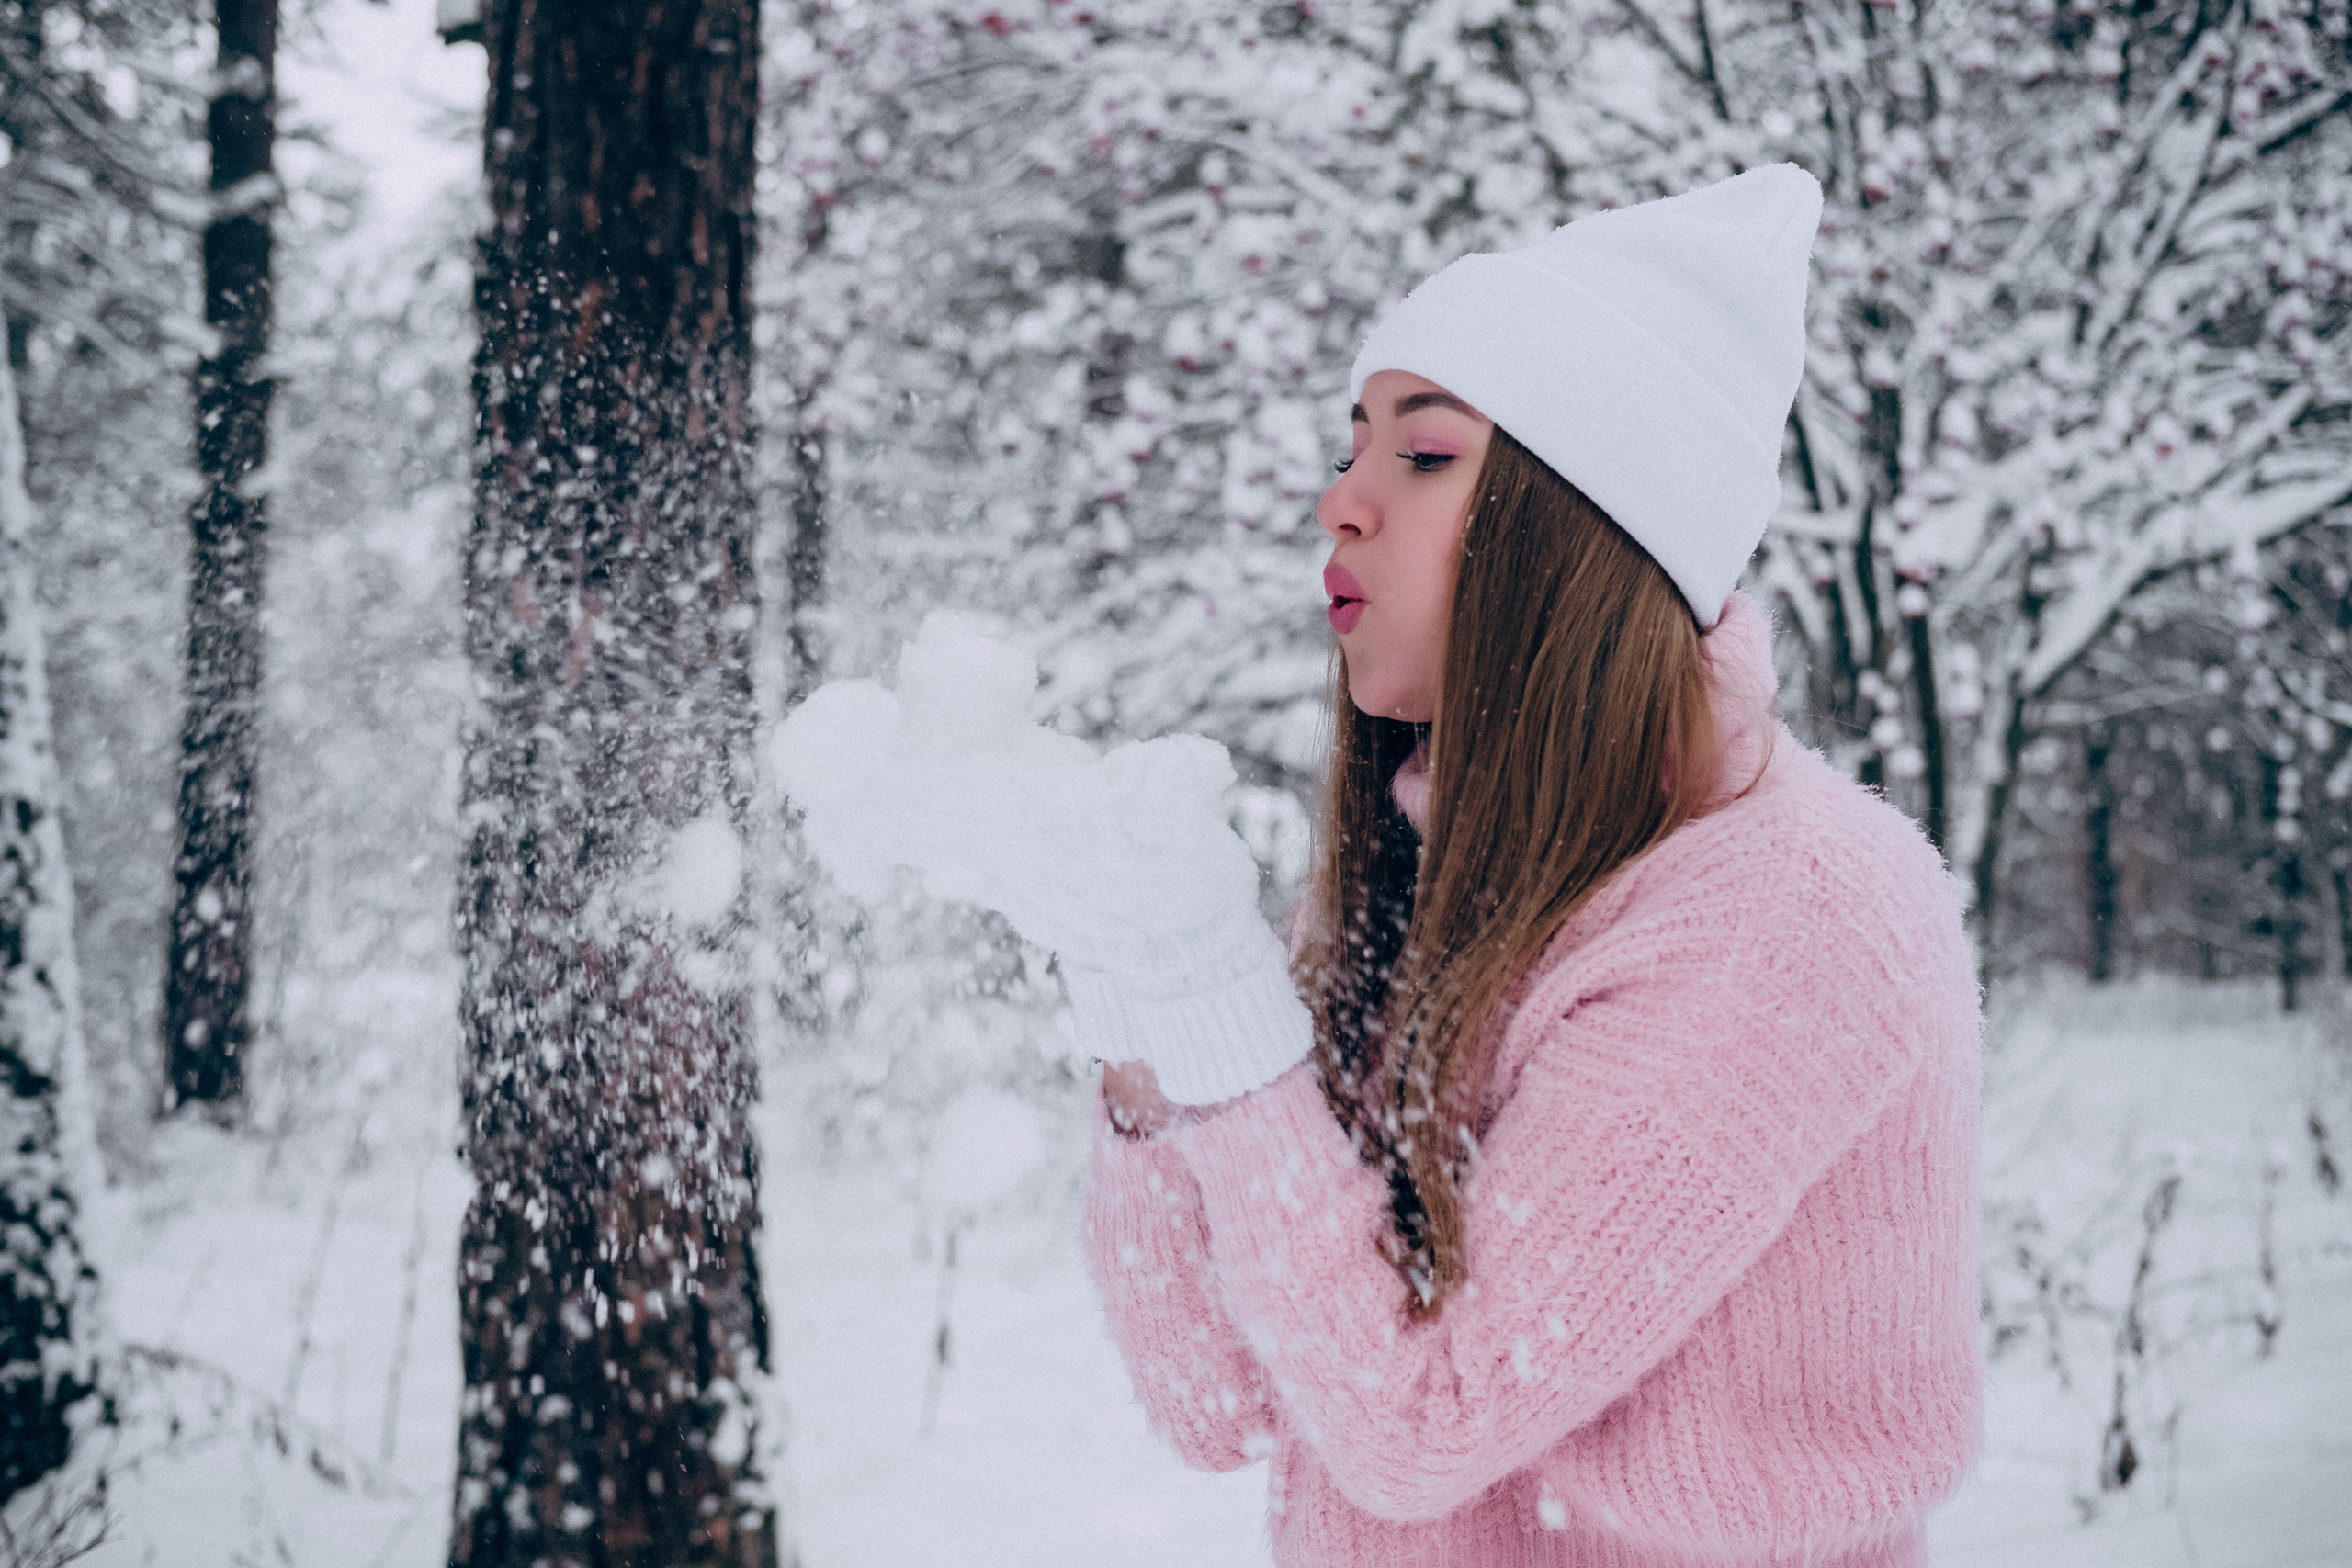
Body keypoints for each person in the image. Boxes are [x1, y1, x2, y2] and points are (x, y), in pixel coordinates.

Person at [782, 164, 1981, 1565]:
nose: (1339, 505)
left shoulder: (1782, 920)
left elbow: (1420, 1418)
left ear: (1582, 533)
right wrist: (1133, 1003)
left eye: (1421, 455)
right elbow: (1214, 1397)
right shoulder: (1449, 871)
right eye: (1354, 448)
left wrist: (1216, 1006)